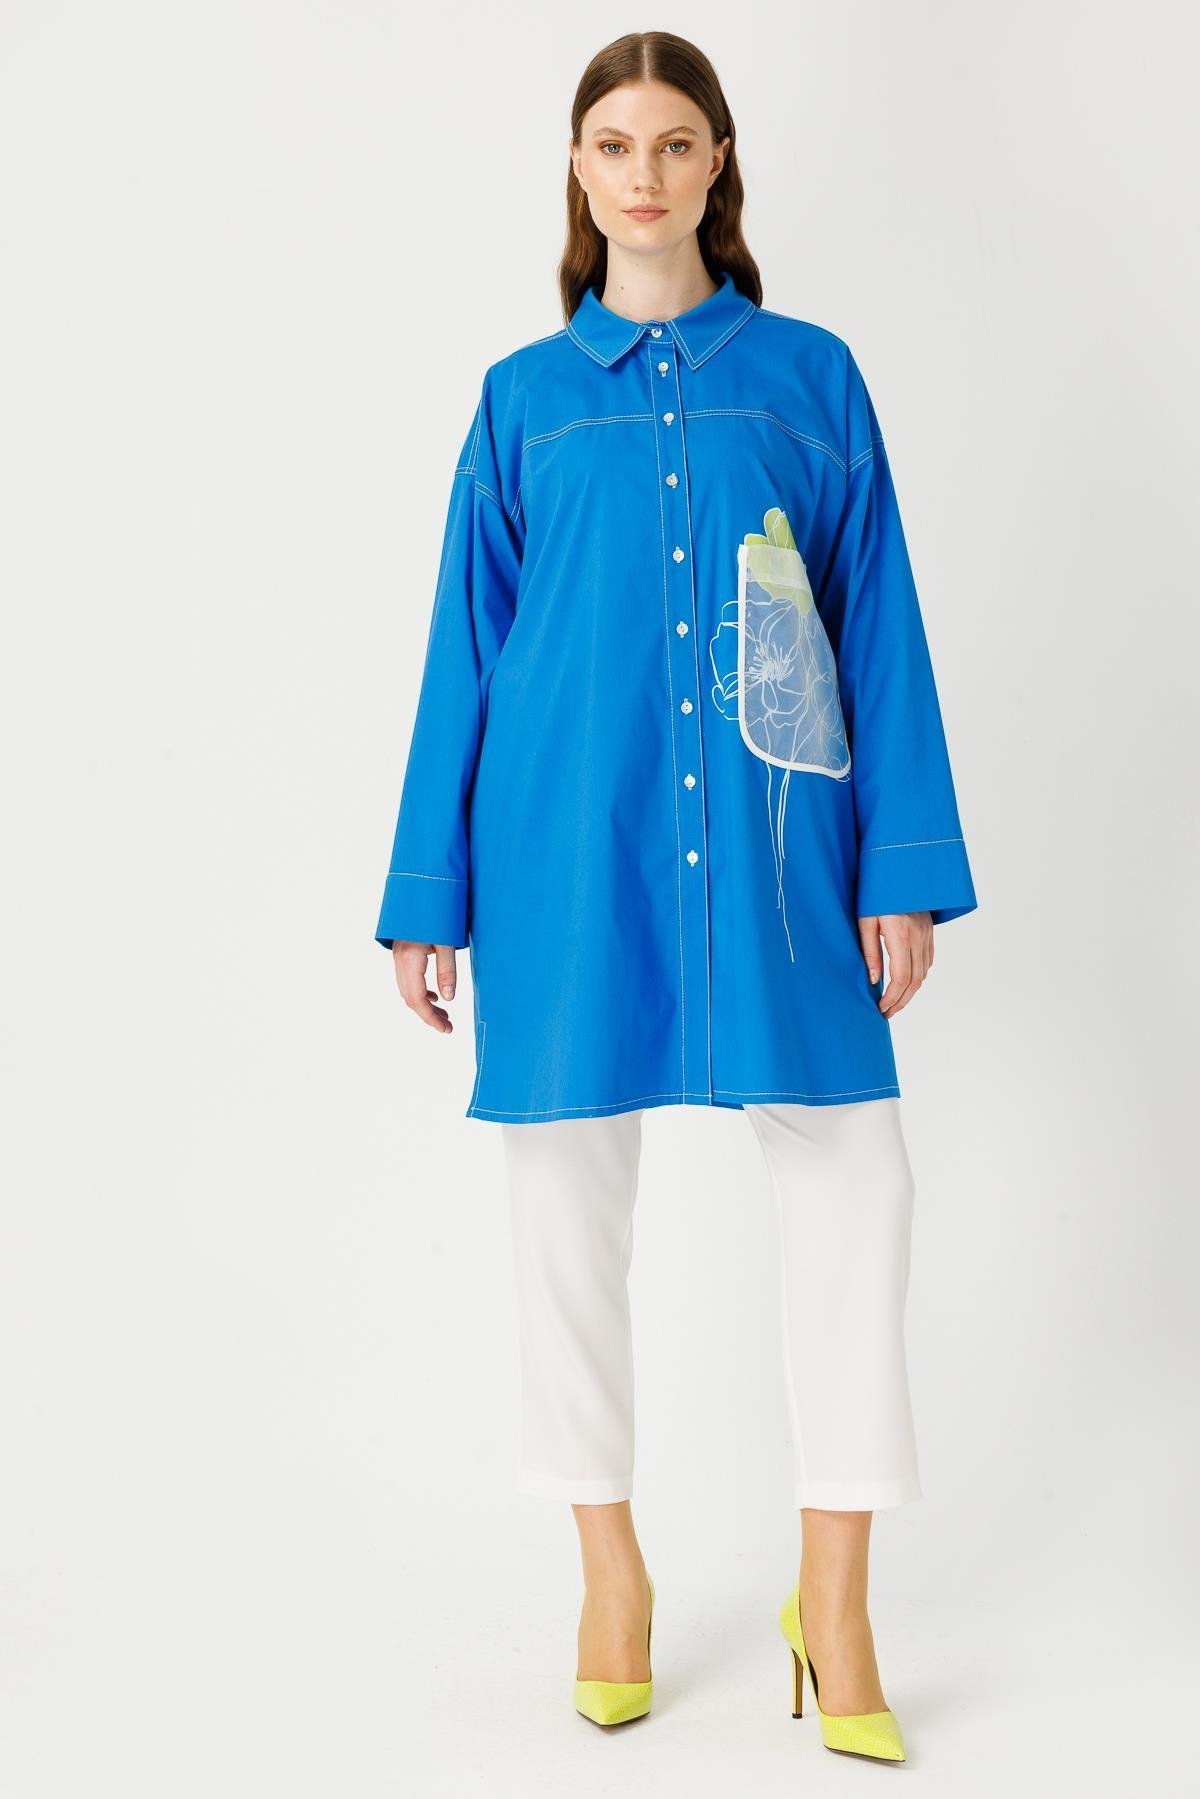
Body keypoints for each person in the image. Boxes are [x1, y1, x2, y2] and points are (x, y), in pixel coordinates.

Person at [374, 31, 977, 1760]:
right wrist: (427, 888)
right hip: (564, 850)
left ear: (720, 164)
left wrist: (901, 864)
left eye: (676, 141)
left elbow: (879, 625)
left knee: (860, 1176)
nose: (644, 172)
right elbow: (466, 651)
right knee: (563, 1204)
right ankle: (610, 1576)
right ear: (579, 170)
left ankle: (834, 1600)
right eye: (614, 143)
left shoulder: (808, 378)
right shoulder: (521, 401)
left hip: (786, 849)